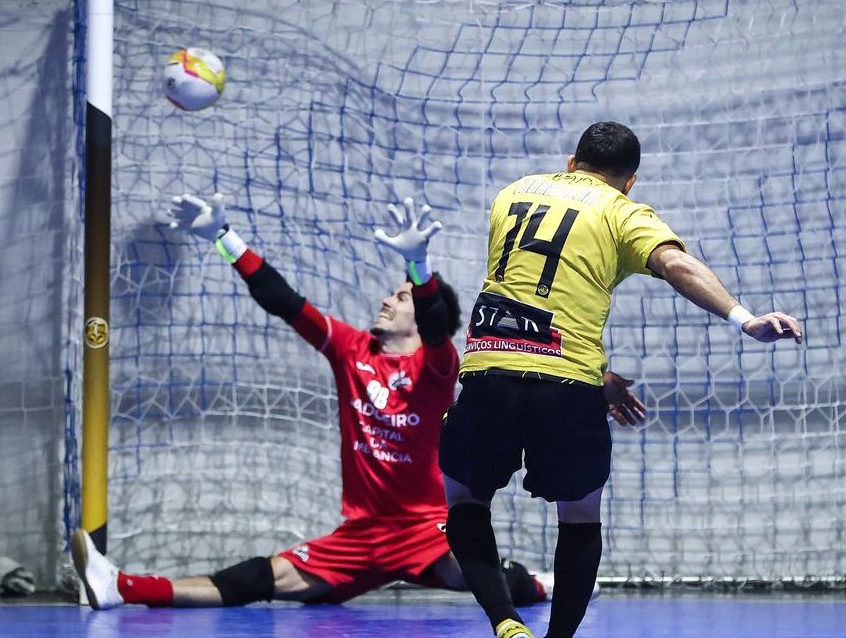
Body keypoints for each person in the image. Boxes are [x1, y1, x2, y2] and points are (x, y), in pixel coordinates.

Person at [72, 194, 554, 610]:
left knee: (481, 574)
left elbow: (433, 319)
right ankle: (122, 587)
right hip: (361, 535)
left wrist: (419, 268)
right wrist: (224, 236)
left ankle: (541, 585)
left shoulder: (437, 366)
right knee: (259, 579)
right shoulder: (350, 350)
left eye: (400, 298)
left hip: (426, 530)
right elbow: (284, 302)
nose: (387, 301)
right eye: (393, 294)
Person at [440, 121, 804, 638]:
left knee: (464, 498)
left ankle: (505, 624)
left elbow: (533, 296)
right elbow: (676, 263)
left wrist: (602, 373)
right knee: (581, 515)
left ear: (572, 161)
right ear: (629, 180)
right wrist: (744, 318)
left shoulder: (512, 194)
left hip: (489, 369)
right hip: (567, 386)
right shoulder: (622, 210)